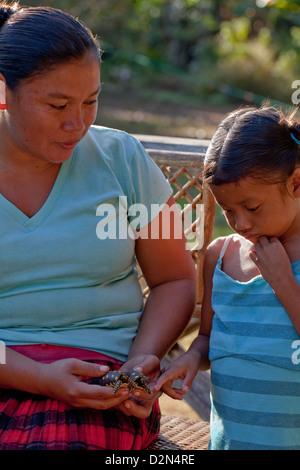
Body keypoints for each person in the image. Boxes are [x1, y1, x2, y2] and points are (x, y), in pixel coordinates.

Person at [0, 2, 197, 450]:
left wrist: (141, 360)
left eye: (91, 101)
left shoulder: (122, 158)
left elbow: (174, 279)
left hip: (100, 384)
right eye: (58, 105)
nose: (78, 124)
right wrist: (39, 377)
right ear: (2, 91)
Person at [155, 105, 300, 450]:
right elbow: (208, 339)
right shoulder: (219, 256)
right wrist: (191, 358)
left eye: (252, 208)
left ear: (296, 182)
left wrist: (283, 281)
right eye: (227, 210)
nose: (240, 224)